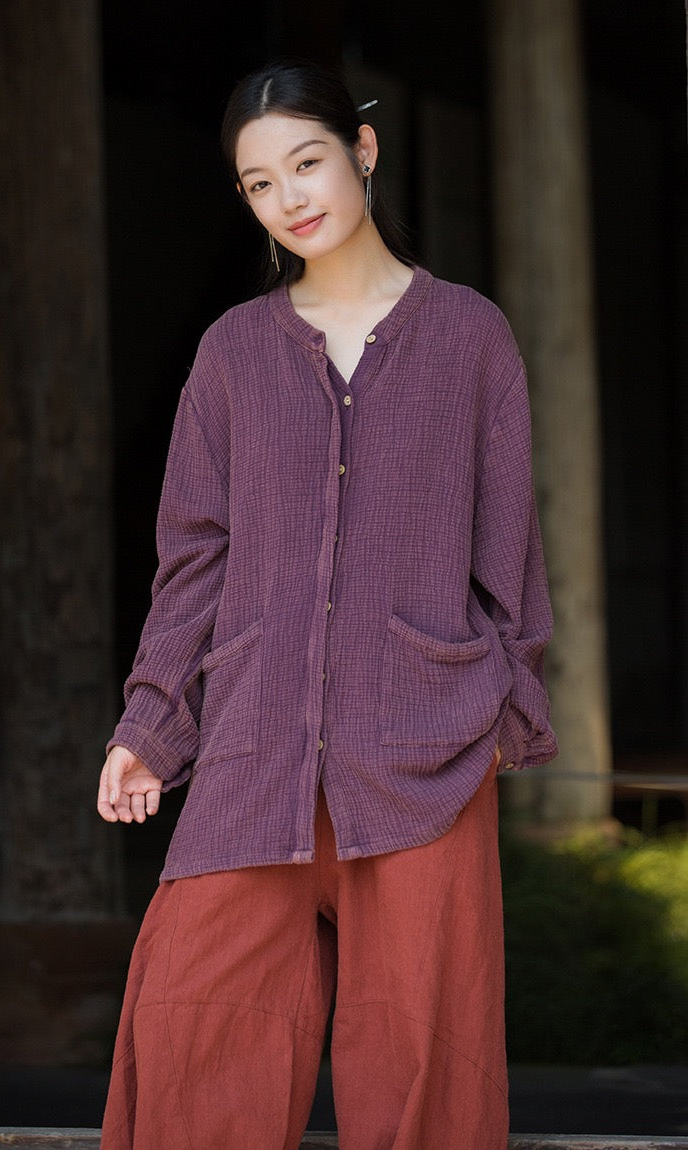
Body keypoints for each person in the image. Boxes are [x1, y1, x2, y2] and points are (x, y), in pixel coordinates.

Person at [97, 60, 558, 1150]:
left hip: (426, 760)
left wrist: (505, 707)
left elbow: (509, 556)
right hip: (252, 754)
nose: (289, 197)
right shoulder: (232, 354)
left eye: (305, 162)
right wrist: (150, 724)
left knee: (425, 1084)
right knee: (193, 1043)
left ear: (363, 149)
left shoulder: (470, 339)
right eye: (259, 183)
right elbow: (194, 558)